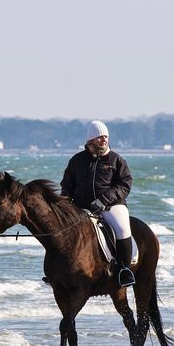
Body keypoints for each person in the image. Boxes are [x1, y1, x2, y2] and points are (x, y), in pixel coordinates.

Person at [61, 120, 136, 287]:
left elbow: (125, 184)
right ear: (91, 140)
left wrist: (103, 200)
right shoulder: (77, 160)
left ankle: (124, 270)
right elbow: (66, 184)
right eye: (100, 137)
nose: (104, 140)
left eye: (106, 137)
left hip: (111, 206)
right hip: (81, 207)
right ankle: (58, 270)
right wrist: (65, 203)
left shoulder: (116, 160)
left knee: (123, 228)